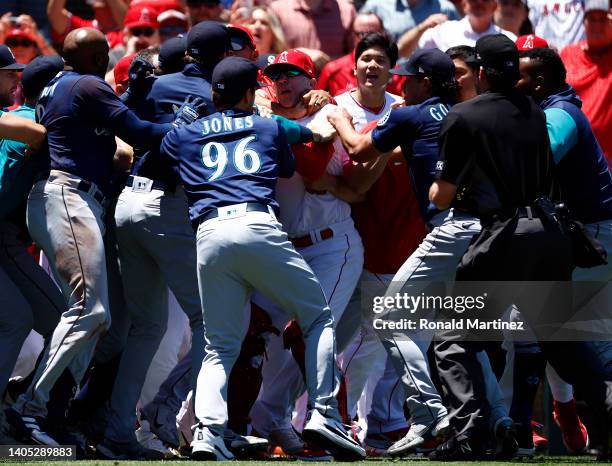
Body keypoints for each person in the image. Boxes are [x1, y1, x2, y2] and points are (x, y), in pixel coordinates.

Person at [159, 55, 366, 462]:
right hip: (258, 227)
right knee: (316, 318)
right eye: (268, 80)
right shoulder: (267, 124)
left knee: (220, 344)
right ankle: (324, 414)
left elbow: (163, 145)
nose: (277, 84)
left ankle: (209, 432)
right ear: (252, 91)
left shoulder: (189, 133)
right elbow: (308, 145)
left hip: (212, 235)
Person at [4, 27, 189, 451]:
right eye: (104, 51)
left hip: (66, 197)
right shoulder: (87, 83)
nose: (108, 57)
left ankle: (45, 403)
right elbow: (139, 133)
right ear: (95, 56)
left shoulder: (65, 84)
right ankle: (29, 405)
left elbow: (105, 124)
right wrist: (183, 125)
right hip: (70, 195)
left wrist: (128, 96)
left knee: (100, 319)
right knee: (90, 310)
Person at [328, 48, 517, 458]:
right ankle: (500, 418)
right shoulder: (469, 112)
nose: (401, 85)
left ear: (425, 83)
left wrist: (338, 118)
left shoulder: (408, 115)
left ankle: (428, 411)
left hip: (450, 230)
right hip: (490, 234)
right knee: (462, 333)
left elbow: (359, 150)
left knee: (388, 317)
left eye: (408, 79)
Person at [428, 34, 610, 460]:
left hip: (506, 233)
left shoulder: (463, 115)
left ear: (482, 72)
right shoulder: (539, 110)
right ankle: (608, 416)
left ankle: (474, 433)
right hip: (549, 232)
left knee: (453, 335)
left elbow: (440, 195)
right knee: (561, 339)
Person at [93, 22, 228, 460]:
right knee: (212, 324)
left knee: (145, 327)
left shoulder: (154, 84)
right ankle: (182, 422)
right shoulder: (215, 95)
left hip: (127, 205)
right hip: (169, 209)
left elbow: (113, 127)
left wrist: (133, 94)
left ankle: (117, 427)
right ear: (220, 55)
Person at [247, 48, 364, 458]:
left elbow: (313, 172)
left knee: (307, 330)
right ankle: (263, 422)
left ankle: (334, 422)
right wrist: (262, 112)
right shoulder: (257, 115)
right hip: (280, 247)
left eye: (293, 74)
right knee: (254, 328)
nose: (283, 81)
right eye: (276, 74)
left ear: (311, 81)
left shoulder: (327, 116)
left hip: (330, 242)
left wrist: (271, 119)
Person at [514, 45, 611, 458]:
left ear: (537, 81)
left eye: (516, 75)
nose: (509, 80)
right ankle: (567, 411)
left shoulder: (561, 113)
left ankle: (581, 416)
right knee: (555, 330)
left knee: (588, 340)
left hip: (595, 236)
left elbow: (539, 157)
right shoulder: (547, 107)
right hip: (577, 235)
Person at [0, 53, 64, 420]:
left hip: (6, 234)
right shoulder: (27, 118)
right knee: (19, 320)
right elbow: (33, 131)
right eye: (8, 74)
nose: (14, 82)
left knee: (23, 319)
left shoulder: (23, 117)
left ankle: (16, 406)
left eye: (18, 75)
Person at [560, 0, 612, 167]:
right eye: (592, 19)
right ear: (583, 22)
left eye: (603, 19)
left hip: (608, 159)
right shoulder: (568, 54)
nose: (597, 25)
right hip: (572, 155)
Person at [398, 0, 517, 57]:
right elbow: (404, 52)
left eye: (485, 0)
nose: (479, 3)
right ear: (464, 5)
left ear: (494, 6)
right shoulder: (443, 30)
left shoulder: (509, 40)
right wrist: (422, 27)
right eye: (473, 0)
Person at [317, 13, 386, 96]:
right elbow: (317, 103)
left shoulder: (395, 73)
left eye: (373, 34)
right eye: (362, 34)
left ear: (383, 34)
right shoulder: (333, 71)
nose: (368, 39)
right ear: (353, 36)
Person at [268, 0, 357, 59]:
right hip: (288, 83)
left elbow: (354, 58)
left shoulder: (346, 11)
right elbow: (268, 55)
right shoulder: (278, 10)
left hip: (333, 85)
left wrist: (330, 64)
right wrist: (300, 55)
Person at [359, 0, 460, 42]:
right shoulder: (376, 5)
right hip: (390, 76)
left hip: (431, 78)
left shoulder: (446, 9)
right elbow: (357, 37)